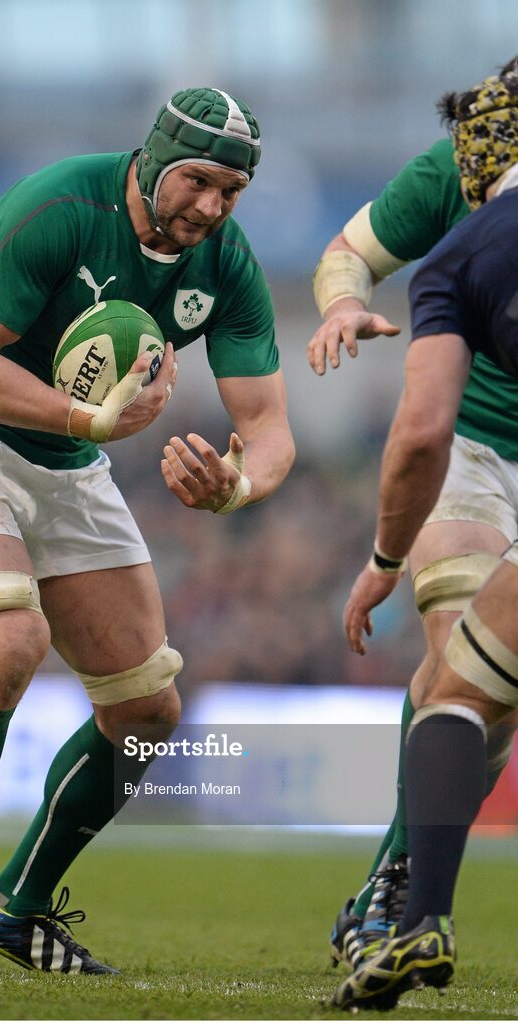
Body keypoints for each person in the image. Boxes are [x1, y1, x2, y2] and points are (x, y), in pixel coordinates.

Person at [0, 87, 294, 977]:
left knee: (147, 709)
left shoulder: (225, 259)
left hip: (68, 466)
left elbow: (269, 425)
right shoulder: (59, 206)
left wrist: (240, 483)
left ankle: (18, 906)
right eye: (200, 182)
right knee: (11, 635)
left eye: (233, 192)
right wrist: (87, 420)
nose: (213, 207)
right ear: (153, 159)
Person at [306, 57, 518, 969]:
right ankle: (403, 890)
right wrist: (344, 304)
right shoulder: (455, 171)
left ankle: (400, 878)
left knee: (490, 696)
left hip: (447, 436)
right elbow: (344, 253)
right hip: (470, 451)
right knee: (462, 656)